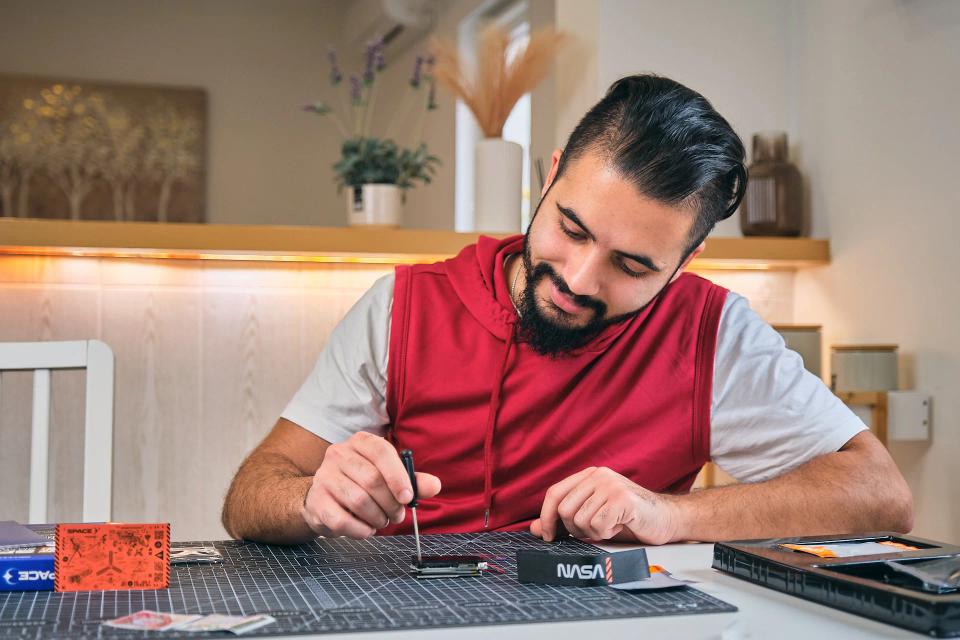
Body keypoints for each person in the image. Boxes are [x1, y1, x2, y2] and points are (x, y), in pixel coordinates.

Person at [221, 74, 912, 546]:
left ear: (684, 262)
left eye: (632, 266)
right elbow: (250, 494)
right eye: (572, 228)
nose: (579, 279)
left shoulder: (713, 332)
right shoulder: (402, 305)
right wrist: (310, 500)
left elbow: (880, 493)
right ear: (549, 176)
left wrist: (667, 514)